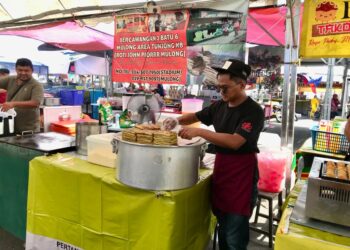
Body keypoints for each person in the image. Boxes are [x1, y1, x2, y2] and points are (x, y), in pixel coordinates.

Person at [164, 59, 264, 249]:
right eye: (218, 88)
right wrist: (175, 120)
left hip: (242, 172)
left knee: (234, 233)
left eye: (225, 88)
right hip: (223, 169)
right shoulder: (219, 106)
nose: (221, 92)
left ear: (242, 85)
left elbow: (236, 142)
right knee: (223, 224)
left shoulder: (253, 111)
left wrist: (201, 132)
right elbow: (194, 117)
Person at [0, 58, 44, 134]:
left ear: (32, 71)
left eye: (26, 70)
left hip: (28, 130)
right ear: (16, 70)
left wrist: (13, 104)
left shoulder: (36, 85)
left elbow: (36, 103)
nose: (23, 73)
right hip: (10, 127)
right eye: (20, 70)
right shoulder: (10, 79)